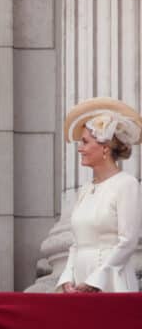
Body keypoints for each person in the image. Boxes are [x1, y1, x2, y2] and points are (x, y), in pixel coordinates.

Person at [55, 98, 142, 293]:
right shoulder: (85, 189)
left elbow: (127, 241)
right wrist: (68, 277)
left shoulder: (126, 184)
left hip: (111, 283)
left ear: (105, 148)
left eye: (85, 142)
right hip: (79, 283)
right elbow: (76, 243)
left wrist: (97, 280)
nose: (79, 148)